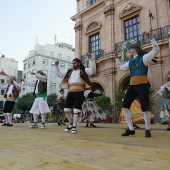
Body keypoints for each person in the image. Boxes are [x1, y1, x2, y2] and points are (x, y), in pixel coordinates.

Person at [114, 31, 160, 137]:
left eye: (129, 49)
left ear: (133, 49)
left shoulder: (144, 58)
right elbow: (120, 67)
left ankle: (148, 130)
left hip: (143, 85)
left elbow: (156, 50)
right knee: (125, 106)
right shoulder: (130, 62)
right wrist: (117, 59)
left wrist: (151, 38)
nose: (128, 51)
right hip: (132, 86)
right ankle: (131, 129)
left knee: (145, 107)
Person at [55, 53, 96, 134]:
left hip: (80, 92)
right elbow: (59, 74)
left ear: (79, 63)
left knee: (76, 110)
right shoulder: (69, 71)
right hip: (70, 92)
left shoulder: (83, 70)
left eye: (75, 63)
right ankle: (70, 124)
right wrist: (56, 66)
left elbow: (92, 71)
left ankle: (74, 127)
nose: (73, 64)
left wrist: (90, 59)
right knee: (66, 109)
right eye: (72, 63)